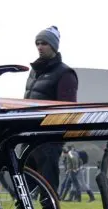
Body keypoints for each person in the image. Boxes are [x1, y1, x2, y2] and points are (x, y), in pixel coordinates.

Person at [24, 26, 78, 192]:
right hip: (26, 137)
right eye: (38, 43)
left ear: (54, 46)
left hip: (48, 140)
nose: (40, 47)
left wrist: (53, 139)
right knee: (23, 188)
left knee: (48, 190)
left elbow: (66, 111)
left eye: (44, 43)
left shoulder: (65, 73)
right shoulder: (33, 72)